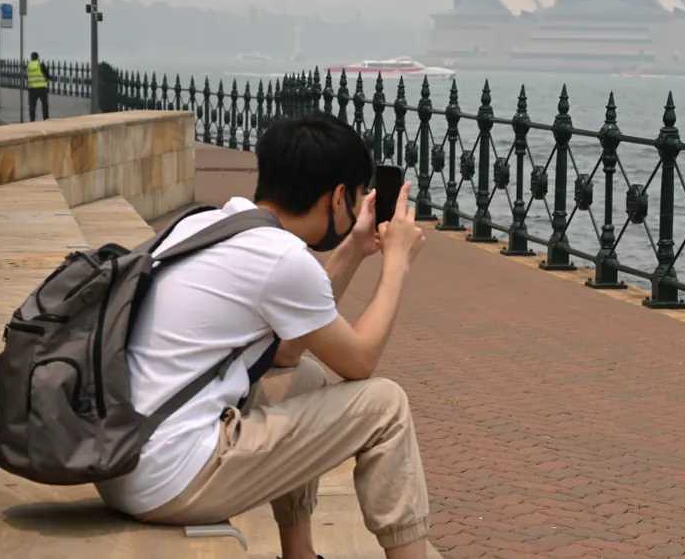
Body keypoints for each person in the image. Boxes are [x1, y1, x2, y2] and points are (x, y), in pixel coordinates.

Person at [94, 110, 432, 559]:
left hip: (120, 463)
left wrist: (352, 249)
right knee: (385, 405)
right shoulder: (282, 258)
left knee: (303, 377)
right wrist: (396, 265)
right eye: (355, 197)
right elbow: (361, 360)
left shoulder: (208, 224)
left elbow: (288, 352)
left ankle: (300, 553)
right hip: (168, 480)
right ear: (337, 199)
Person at [26, 52, 49, 121]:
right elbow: (47, 74)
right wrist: (46, 80)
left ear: (31, 57)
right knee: (44, 104)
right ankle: (45, 118)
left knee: (32, 105)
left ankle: (32, 119)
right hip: (41, 87)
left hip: (32, 88)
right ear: (37, 57)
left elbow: (27, 76)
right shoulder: (40, 64)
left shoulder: (29, 65)